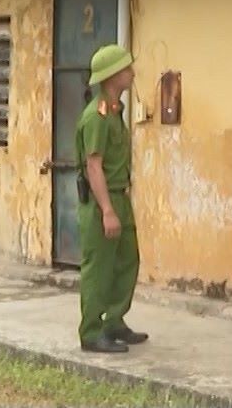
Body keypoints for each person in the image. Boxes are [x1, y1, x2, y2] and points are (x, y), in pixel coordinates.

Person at [76, 44, 146, 354]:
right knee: (100, 267)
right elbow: (94, 165)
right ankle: (91, 331)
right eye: (127, 68)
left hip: (120, 196)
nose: (132, 73)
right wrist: (107, 210)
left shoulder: (114, 111)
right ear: (112, 75)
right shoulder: (97, 116)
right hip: (102, 200)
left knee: (126, 260)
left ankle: (113, 321)